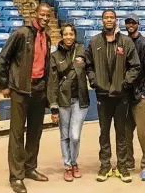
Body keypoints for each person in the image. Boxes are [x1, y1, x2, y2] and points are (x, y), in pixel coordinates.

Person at [0, 3, 52, 193]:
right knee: (17, 134)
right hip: (20, 90)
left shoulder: (47, 37)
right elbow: (4, 57)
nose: (45, 18)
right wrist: (4, 84)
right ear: (35, 14)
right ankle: (16, 176)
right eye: (42, 14)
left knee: (35, 132)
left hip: (39, 90)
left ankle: (30, 168)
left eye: (48, 15)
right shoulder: (21, 33)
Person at [85, 9, 140, 183]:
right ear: (102, 21)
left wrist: (125, 83)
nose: (109, 20)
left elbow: (135, 66)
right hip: (102, 96)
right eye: (106, 18)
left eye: (112, 17)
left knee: (121, 133)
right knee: (104, 132)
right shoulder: (94, 42)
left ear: (116, 20)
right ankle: (105, 165)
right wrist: (94, 81)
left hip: (121, 96)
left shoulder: (125, 41)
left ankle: (122, 167)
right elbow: (88, 65)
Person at [47, 23, 90, 182]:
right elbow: (52, 82)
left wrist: (77, 63)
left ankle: (74, 161)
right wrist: (53, 106)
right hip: (63, 101)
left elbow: (80, 69)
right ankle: (68, 166)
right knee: (65, 136)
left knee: (75, 136)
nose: (68, 37)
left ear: (75, 35)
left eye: (71, 34)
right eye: (65, 34)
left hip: (80, 99)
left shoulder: (81, 50)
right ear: (61, 36)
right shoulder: (54, 56)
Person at [124, 13, 145, 181]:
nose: (130, 25)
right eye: (128, 22)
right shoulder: (123, 42)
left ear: (138, 24)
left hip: (140, 97)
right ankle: (128, 162)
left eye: (133, 22)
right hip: (125, 96)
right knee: (126, 132)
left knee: (144, 133)